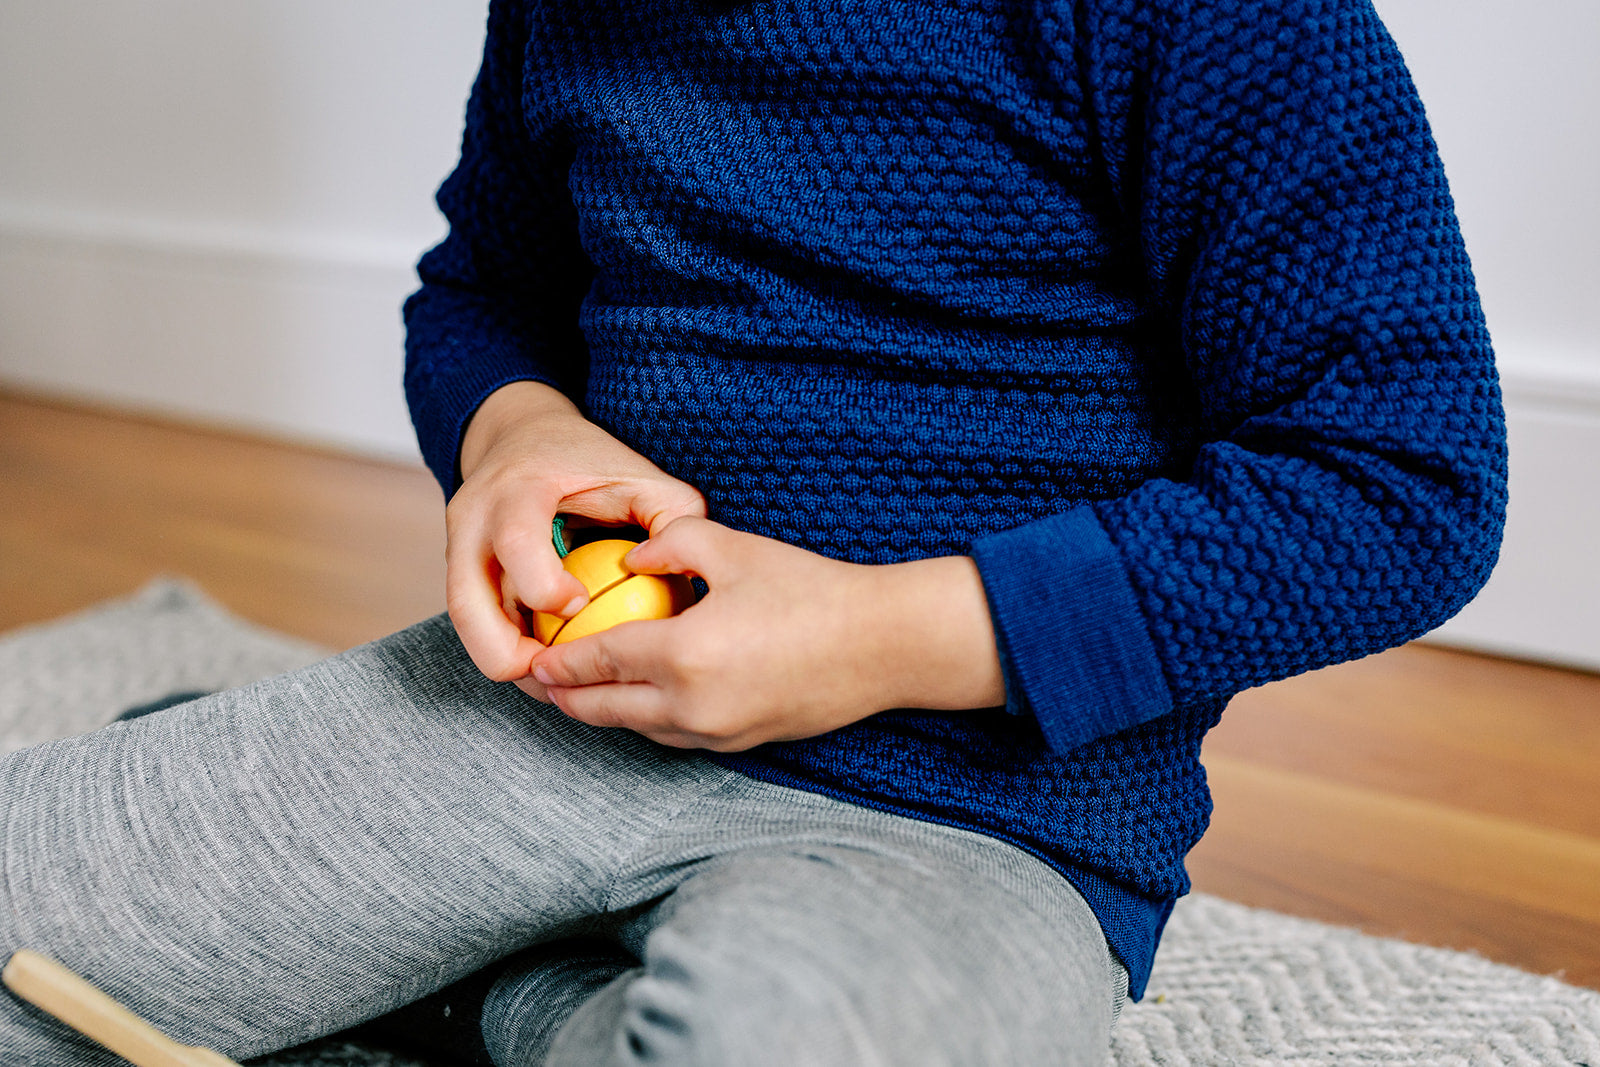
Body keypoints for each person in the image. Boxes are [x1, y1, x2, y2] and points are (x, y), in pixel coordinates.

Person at [0, 0, 1506, 1063]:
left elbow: (1404, 478)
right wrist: (516, 436)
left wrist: (877, 635)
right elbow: (480, 291)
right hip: (554, 717)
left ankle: (471, 993)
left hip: (979, 829)